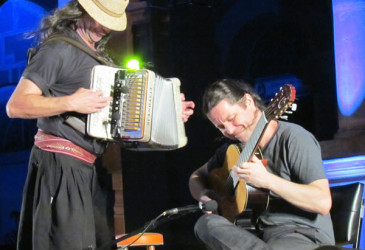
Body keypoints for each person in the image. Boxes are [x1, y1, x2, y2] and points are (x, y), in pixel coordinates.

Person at [6, 0, 195, 249]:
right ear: (81, 11)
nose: (105, 27)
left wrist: (170, 113)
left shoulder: (99, 59)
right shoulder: (58, 48)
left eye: (110, 22)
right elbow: (16, 106)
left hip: (88, 168)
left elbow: (125, 123)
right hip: (59, 163)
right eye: (100, 19)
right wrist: (71, 101)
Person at [188, 79, 334, 250]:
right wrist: (204, 194)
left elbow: (322, 202)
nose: (229, 130)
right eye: (221, 126)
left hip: (299, 233)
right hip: (254, 234)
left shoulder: (294, 138)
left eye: (232, 118)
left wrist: (267, 180)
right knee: (204, 224)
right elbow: (196, 176)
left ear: (249, 103)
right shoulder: (231, 151)